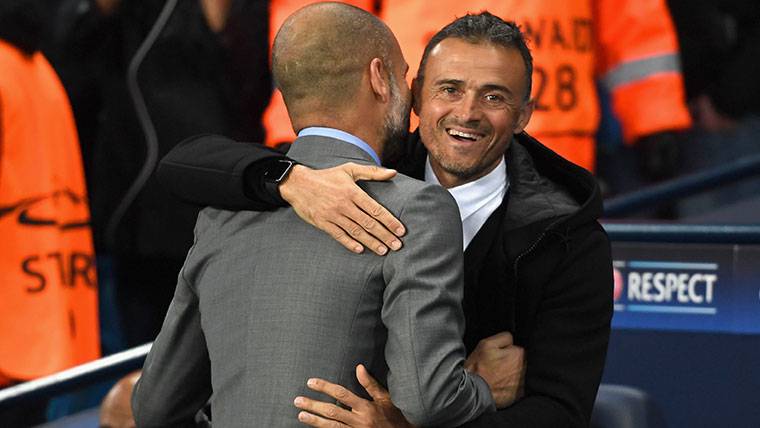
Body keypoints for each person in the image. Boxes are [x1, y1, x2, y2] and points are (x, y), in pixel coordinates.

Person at [158, 11, 613, 427]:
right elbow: (183, 165)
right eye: (449, 89)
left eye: (493, 96)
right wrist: (285, 180)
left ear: (523, 116)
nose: (468, 113)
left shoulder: (569, 238)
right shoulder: (342, 176)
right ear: (415, 96)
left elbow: (559, 413)